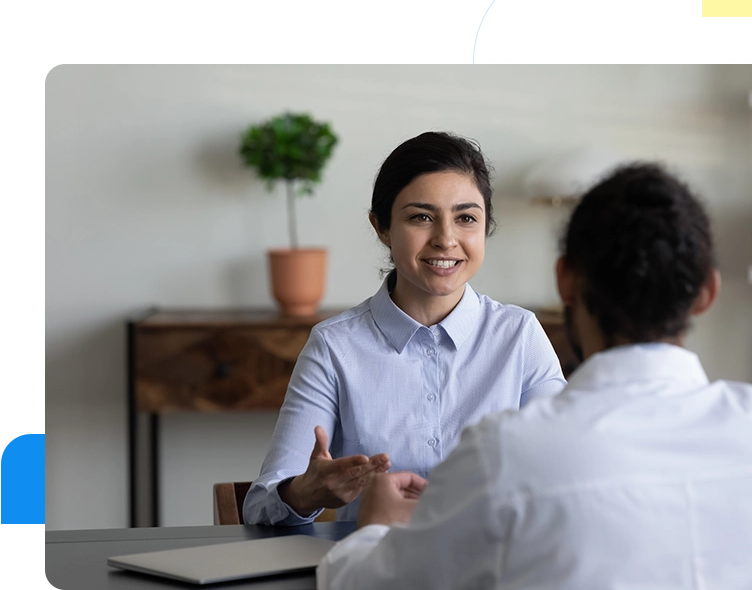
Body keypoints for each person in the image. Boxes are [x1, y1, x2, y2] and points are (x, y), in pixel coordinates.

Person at [317, 162, 752, 590]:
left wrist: (377, 528)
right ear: (706, 291)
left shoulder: (507, 455)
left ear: (565, 281)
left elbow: (363, 585)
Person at [243, 132, 567, 525]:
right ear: (382, 228)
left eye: (466, 218)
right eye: (421, 217)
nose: (446, 239)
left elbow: (566, 475)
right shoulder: (333, 346)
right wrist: (305, 493)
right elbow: (259, 507)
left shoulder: (520, 336)